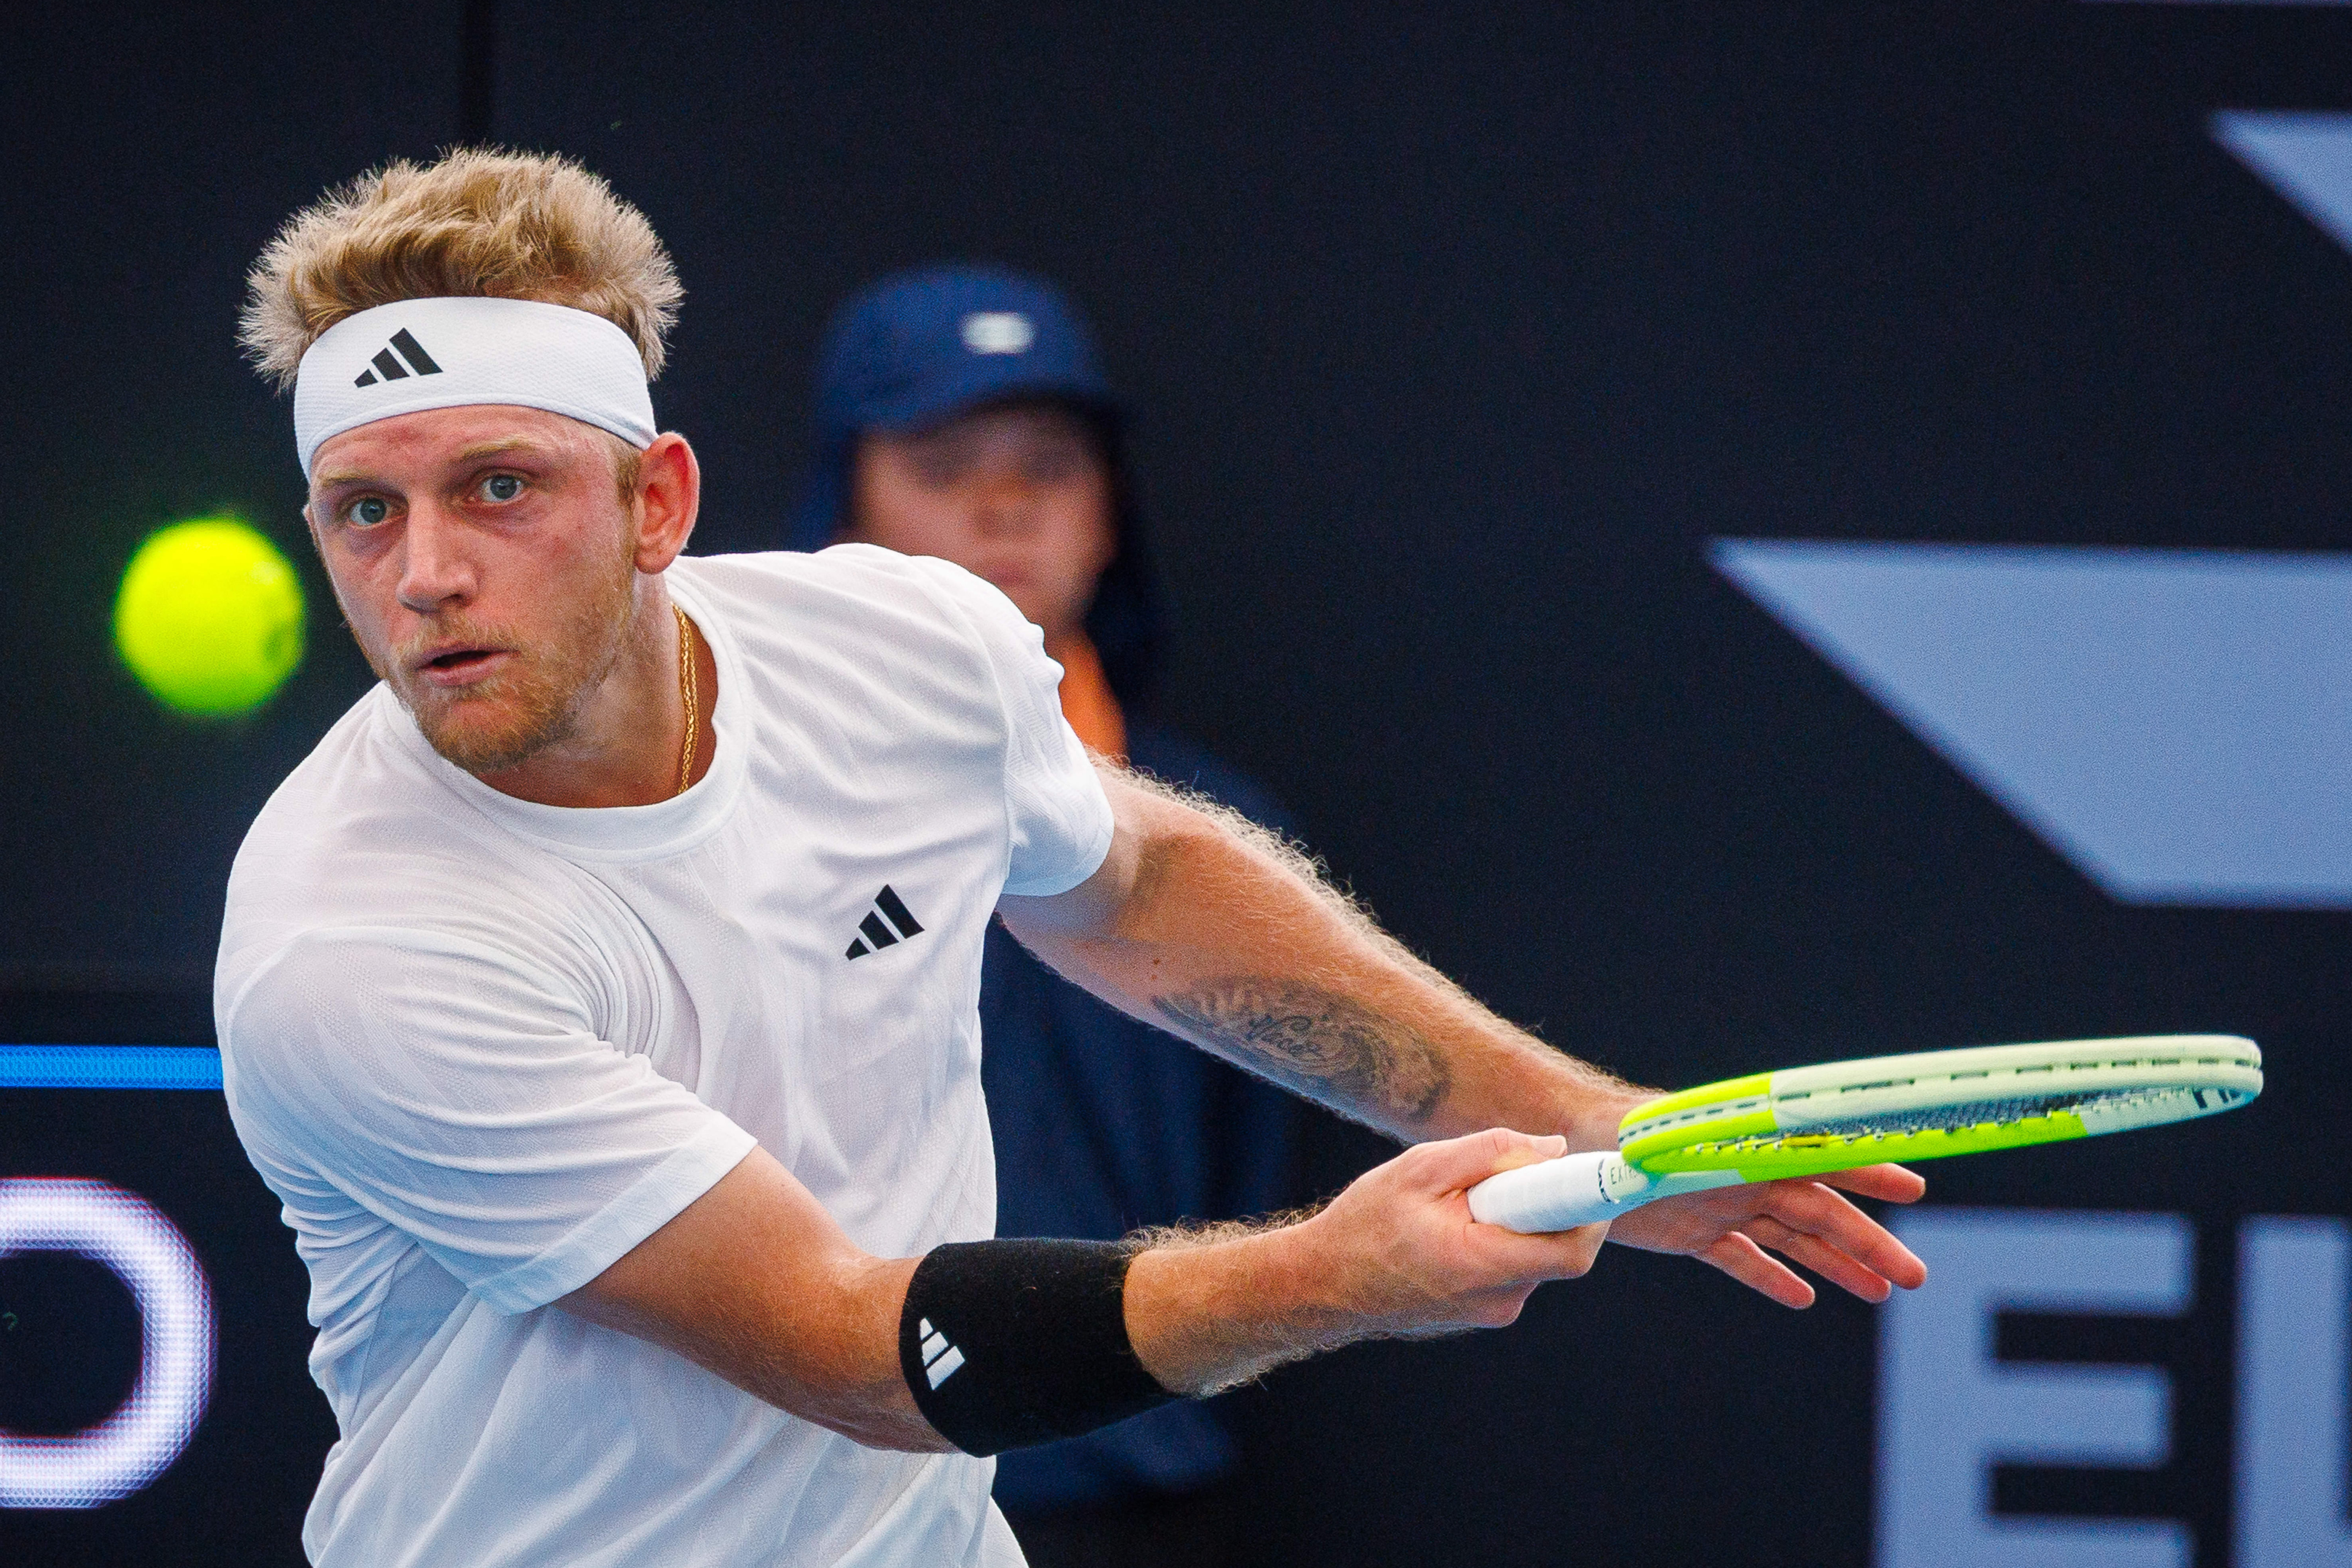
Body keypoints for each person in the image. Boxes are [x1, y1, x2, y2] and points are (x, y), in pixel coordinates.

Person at [216, 149, 1927, 1568]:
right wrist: (1340, 1273)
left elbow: (1140, 889)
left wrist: (1588, 1126)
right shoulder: (353, 949)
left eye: (498, 487)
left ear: (656, 502)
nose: (425, 572)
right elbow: (854, 1343)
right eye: (368, 509)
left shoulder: (905, 647)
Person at [789, 265, 1300, 1565]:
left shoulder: (1224, 835)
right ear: (844, 502)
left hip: (1139, 1498)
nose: (1004, 504)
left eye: (1051, 466)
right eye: (942, 463)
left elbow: (1256, 1183)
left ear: (1110, 511)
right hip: (817, 1500)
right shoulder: (747, 806)